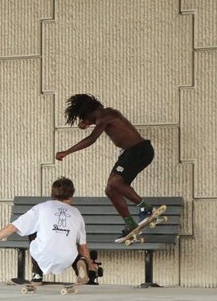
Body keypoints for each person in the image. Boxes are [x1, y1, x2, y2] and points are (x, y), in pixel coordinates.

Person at [55, 94, 162, 238]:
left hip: (139, 150)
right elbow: (94, 127)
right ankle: (130, 225)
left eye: (84, 117)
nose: (86, 121)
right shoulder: (102, 118)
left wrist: (67, 151)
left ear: (89, 112)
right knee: (111, 189)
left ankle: (147, 209)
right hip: (130, 153)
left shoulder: (108, 114)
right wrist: (88, 122)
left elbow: (92, 138)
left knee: (114, 182)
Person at [0, 177, 97, 283]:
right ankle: (79, 263)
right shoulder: (76, 213)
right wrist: (90, 265)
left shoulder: (41, 208)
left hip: (44, 254)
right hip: (68, 258)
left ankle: (37, 274)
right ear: (71, 196)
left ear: (52, 194)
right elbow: (83, 246)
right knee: (70, 239)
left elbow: (14, 227)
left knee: (32, 230)